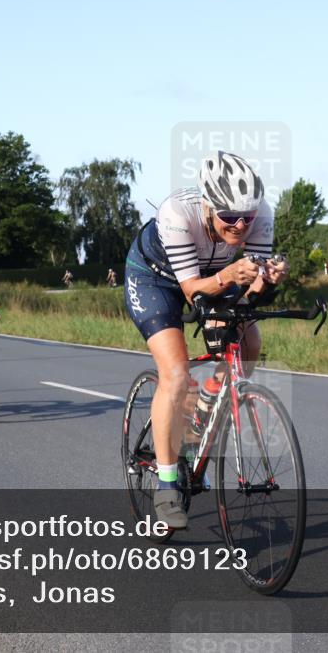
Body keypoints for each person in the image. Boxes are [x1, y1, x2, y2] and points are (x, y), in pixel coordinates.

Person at [123, 151, 288, 528]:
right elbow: (192, 291)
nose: (240, 226)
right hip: (158, 279)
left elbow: (250, 294)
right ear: (209, 206)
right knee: (177, 373)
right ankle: (166, 483)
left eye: (247, 217)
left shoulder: (260, 215)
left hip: (218, 273)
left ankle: (202, 413)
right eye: (229, 217)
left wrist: (269, 280)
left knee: (247, 344)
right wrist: (231, 275)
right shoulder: (177, 214)